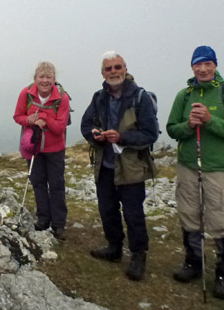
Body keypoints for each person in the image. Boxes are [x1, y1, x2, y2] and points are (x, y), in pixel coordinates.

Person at [166, 45, 224, 299]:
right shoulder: (184, 95)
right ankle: (193, 262)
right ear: (192, 67)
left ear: (215, 65)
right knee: (189, 215)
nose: (202, 69)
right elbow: (172, 129)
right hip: (188, 165)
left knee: (222, 221)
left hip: (218, 168)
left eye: (207, 64)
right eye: (198, 64)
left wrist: (211, 122)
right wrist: (189, 125)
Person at [81, 51, 158, 281]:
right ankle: (114, 248)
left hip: (131, 167)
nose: (113, 72)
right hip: (105, 165)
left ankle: (138, 256)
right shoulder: (99, 97)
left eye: (117, 67)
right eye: (108, 69)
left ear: (125, 68)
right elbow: (86, 124)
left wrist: (122, 137)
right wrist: (95, 135)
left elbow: (150, 134)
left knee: (133, 214)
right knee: (107, 209)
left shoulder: (140, 97)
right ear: (103, 73)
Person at [13, 62, 70, 240]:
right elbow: (17, 117)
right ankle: (43, 219)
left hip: (55, 149)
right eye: (41, 77)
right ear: (35, 79)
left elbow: (60, 127)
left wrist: (44, 117)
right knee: (38, 183)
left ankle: (58, 224)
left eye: (49, 77)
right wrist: (31, 121)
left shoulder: (62, 98)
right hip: (34, 147)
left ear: (54, 79)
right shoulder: (26, 93)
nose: (45, 81)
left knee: (56, 185)